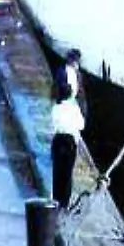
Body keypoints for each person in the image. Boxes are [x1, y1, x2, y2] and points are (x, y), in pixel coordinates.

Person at [50, 49, 84, 207]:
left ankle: (56, 200)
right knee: (67, 173)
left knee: (58, 171)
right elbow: (81, 125)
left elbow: (53, 124)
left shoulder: (56, 109)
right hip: (70, 140)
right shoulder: (74, 109)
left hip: (58, 139)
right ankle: (64, 202)